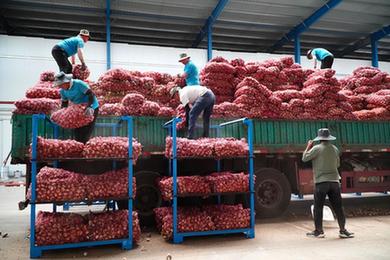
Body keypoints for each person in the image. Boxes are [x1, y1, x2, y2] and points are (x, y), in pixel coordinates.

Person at [302, 128, 354, 239]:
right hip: (334, 182)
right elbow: (338, 164)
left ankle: (319, 231)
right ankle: (343, 230)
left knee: (318, 207)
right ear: (329, 138)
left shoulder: (316, 148)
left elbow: (304, 158)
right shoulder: (335, 149)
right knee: (338, 207)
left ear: (319, 139)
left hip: (321, 182)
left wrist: (308, 146)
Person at [53, 72, 99, 144]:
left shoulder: (79, 84)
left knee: (87, 129)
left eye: (61, 85)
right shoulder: (62, 91)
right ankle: (79, 146)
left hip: (91, 107)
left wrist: (90, 107)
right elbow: (64, 103)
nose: (60, 87)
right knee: (77, 129)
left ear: (66, 82)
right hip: (78, 110)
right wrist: (61, 114)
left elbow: (91, 94)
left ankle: (86, 146)